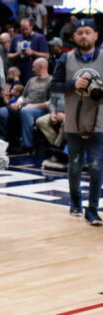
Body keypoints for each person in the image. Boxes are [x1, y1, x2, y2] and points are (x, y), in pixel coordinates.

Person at [51, 18, 103, 225]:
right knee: (74, 167)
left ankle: (92, 210)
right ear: (73, 37)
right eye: (79, 32)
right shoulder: (65, 58)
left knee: (97, 167)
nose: (83, 35)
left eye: (87, 32)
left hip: (99, 122)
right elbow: (54, 86)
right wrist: (74, 84)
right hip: (73, 121)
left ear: (95, 35)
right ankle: (75, 203)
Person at [0, 58, 51, 153]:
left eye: (34, 67)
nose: (32, 69)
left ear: (41, 67)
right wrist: (19, 101)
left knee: (26, 111)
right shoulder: (31, 80)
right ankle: (7, 142)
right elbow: (23, 96)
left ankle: (27, 145)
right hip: (24, 105)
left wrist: (32, 106)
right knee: (0, 112)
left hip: (40, 109)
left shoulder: (50, 81)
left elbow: (51, 103)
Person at [8, 18, 49, 84]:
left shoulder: (39, 38)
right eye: (22, 30)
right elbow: (9, 55)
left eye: (26, 29)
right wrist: (17, 54)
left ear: (31, 27)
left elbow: (46, 56)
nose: (24, 32)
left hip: (32, 74)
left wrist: (33, 53)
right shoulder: (15, 38)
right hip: (17, 75)